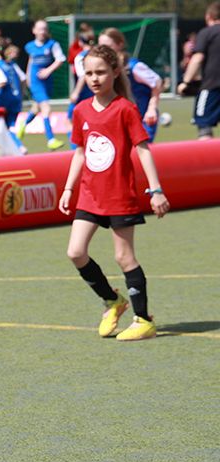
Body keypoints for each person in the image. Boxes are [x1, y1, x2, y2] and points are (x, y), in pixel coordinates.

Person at [59, 45, 170, 341]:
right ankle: (112, 301)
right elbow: (81, 152)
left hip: (119, 196)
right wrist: (69, 188)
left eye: (101, 72)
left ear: (115, 72)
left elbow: (143, 150)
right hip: (89, 195)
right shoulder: (81, 110)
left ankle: (144, 320)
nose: (94, 78)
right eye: (89, 73)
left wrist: (155, 190)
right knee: (75, 252)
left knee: (124, 257)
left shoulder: (125, 109)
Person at [98, 28, 162, 142]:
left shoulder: (133, 67)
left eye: (108, 46)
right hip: (120, 120)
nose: (104, 51)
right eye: (101, 46)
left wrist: (152, 108)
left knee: (140, 155)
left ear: (120, 44)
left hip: (142, 119)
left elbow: (157, 82)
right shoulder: (105, 70)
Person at [18, 20, 66, 150]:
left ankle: (23, 124)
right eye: (39, 29)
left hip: (47, 81)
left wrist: (48, 70)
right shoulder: (29, 46)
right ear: (34, 31)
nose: (42, 32)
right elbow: (31, 61)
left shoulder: (52, 44)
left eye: (44, 29)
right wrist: (28, 77)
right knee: (46, 108)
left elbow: (60, 59)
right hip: (35, 81)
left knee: (36, 108)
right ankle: (51, 139)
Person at [178, 2, 220, 140]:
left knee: (204, 126)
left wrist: (185, 81)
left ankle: (209, 161)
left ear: (209, 16)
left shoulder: (207, 32)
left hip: (212, 86)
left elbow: (197, 58)